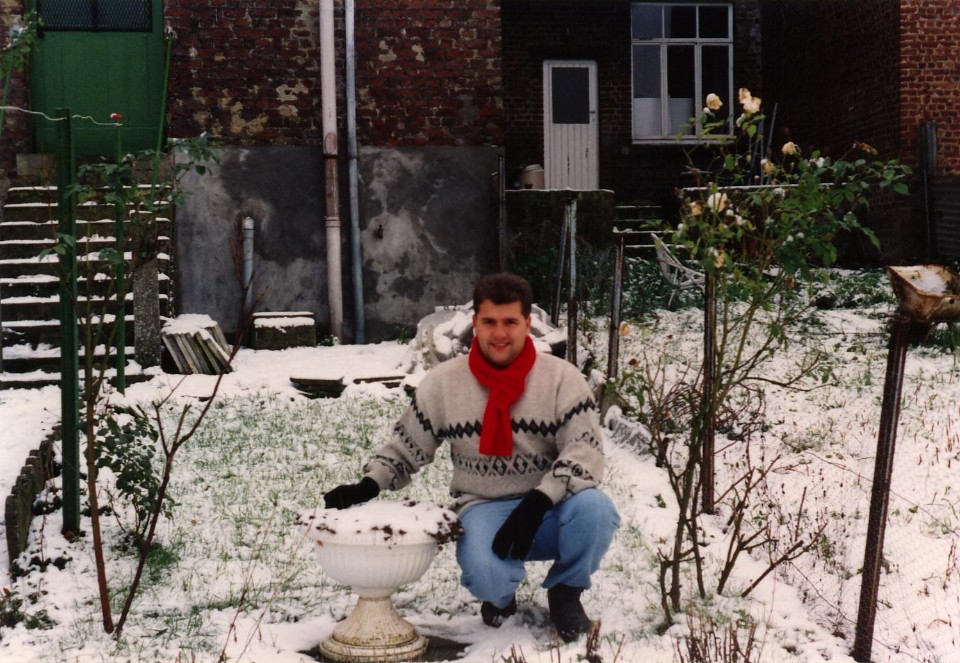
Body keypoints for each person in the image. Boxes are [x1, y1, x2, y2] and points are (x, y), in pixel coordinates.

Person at [323, 273, 620, 641]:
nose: (500, 333)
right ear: (474, 323)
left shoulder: (562, 378)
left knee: (595, 509)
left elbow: (584, 450)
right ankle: (500, 596)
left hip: (548, 506)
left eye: (510, 322)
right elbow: (407, 445)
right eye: (489, 322)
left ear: (527, 323)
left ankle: (566, 592)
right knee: (486, 575)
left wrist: (539, 501)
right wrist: (368, 485)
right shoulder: (444, 382)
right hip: (484, 505)